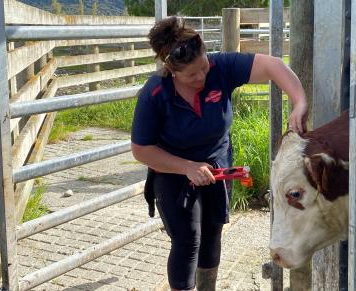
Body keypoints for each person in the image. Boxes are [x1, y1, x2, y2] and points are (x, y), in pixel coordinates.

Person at [131, 16, 308, 291]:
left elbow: (273, 66)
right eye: (191, 75)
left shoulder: (220, 66)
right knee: (188, 238)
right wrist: (187, 167)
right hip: (173, 169)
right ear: (171, 71)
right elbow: (141, 149)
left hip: (217, 163)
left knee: (213, 232)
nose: (201, 77)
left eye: (203, 67)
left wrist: (299, 102)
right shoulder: (154, 94)